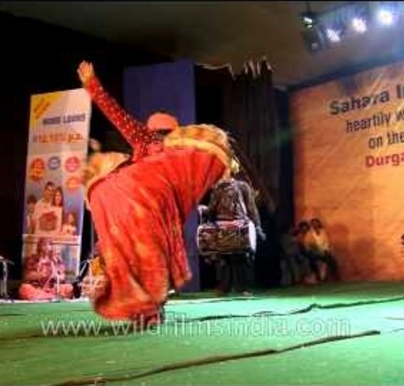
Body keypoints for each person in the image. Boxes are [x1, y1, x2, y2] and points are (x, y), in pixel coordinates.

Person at [78, 61, 236, 328]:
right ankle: (151, 309)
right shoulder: (180, 153)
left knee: (139, 257)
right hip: (160, 209)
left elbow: (115, 113)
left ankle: (147, 310)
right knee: (154, 258)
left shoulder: (146, 140)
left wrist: (92, 84)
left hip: (141, 201)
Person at [206, 172, 264, 296]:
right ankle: (241, 288)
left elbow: (212, 209)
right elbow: (251, 208)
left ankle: (225, 287)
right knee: (238, 257)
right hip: (239, 226)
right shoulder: (241, 186)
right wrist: (257, 225)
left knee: (225, 258)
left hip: (223, 226)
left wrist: (210, 223)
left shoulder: (218, 188)